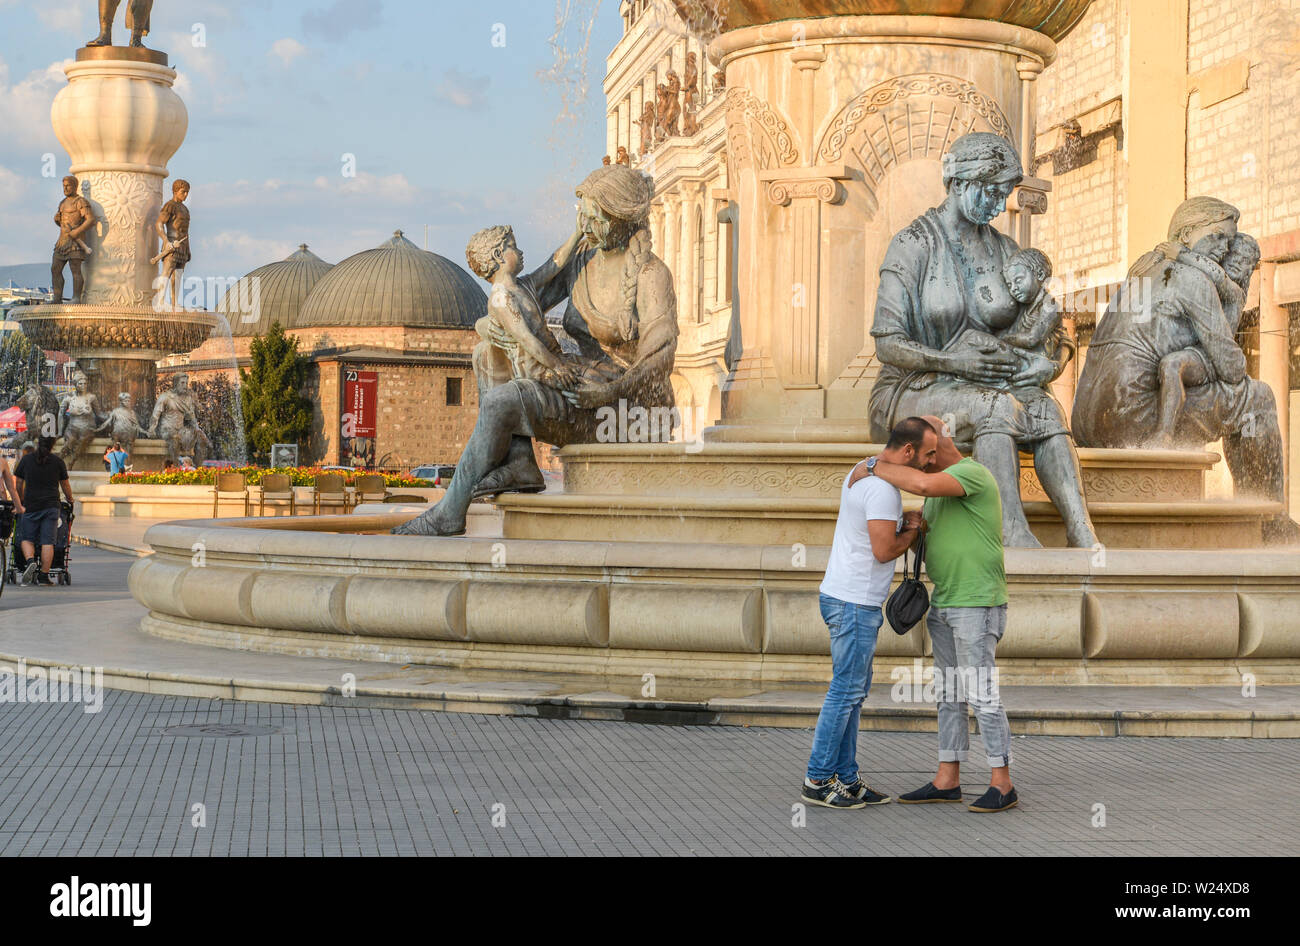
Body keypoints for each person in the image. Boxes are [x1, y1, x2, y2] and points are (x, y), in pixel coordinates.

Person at [868, 132, 1096, 549]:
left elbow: (1058, 329)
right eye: (989, 192)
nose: (997, 203)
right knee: (994, 407)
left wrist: (1052, 364)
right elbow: (887, 344)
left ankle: (1082, 531)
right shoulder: (912, 245)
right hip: (913, 388)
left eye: (1003, 193)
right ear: (958, 182)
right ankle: (1009, 530)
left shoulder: (1006, 249)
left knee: (1046, 407)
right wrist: (955, 364)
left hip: (991, 382)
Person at [859, 416, 1018, 813]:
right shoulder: (934, 496)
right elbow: (936, 547)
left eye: (926, 452)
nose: (922, 462)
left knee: (981, 693)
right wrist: (913, 532)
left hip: (977, 603)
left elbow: (924, 483)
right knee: (949, 693)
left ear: (940, 440)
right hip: (945, 602)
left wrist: (875, 465)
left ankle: (1003, 782)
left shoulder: (972, 473)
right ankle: (948, 779)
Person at [800, 416, 936, 810]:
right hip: (854, 603)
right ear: (907, 451)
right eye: (927, 455)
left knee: (852, 694)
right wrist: (912, 529)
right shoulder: (881, 491)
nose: (928, 463)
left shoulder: (863, 469)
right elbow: (883, 550)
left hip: (845, 598)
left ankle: (846, 777)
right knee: (845, 692)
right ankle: (818, 779)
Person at [1149, 233, 1260, 448]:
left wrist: (1181, 253)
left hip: (1213, 359)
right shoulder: (1205, 283)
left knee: (1173, 364)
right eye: (1235, 255)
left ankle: (1164, 433)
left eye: (1247, 261)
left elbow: (1217, 275)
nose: (1239, 262)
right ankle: (1165, 430)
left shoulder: (1235, 292)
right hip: (1198, 351)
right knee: (1169, 364)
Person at [466, 224, 585, 390]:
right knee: (593, 381)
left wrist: (578, 232)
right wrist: (558, 367)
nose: (521, 252)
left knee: (606, 371)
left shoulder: (523, 285)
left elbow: (553, 264)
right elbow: (526, 338)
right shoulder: (501, 298)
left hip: (554, 359)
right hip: (539, 371)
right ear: (498, 255)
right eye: (513, 247)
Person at [13, 436, 73, 587]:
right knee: (48, 541)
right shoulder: (58, 461)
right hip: (51, 506)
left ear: (37, 444)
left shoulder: (26, 460)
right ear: (52, 446)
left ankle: (31, 562)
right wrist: (70, 499)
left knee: (27, 538)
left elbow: (18, 483)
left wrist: (19, 499)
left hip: (31, 504)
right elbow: (65, 485)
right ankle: (44, 577)